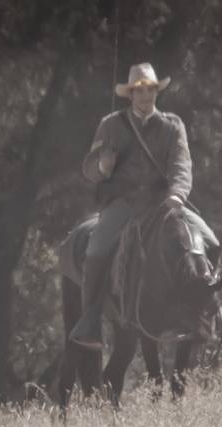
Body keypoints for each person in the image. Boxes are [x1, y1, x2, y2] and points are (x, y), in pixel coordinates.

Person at [69, 64, 193, 350]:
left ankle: (204, 313)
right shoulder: (110, 124)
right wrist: (103, 165)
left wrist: (177, 195)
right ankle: (90, 321)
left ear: (156, 91)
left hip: (163, 203)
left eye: (150, 89)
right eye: (140, 90)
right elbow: (89, 169)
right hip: (123, 204)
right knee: (96, 249)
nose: (146, 95)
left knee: (203, 241)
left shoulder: (173, 125)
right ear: (130, 94)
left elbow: (181, 165)